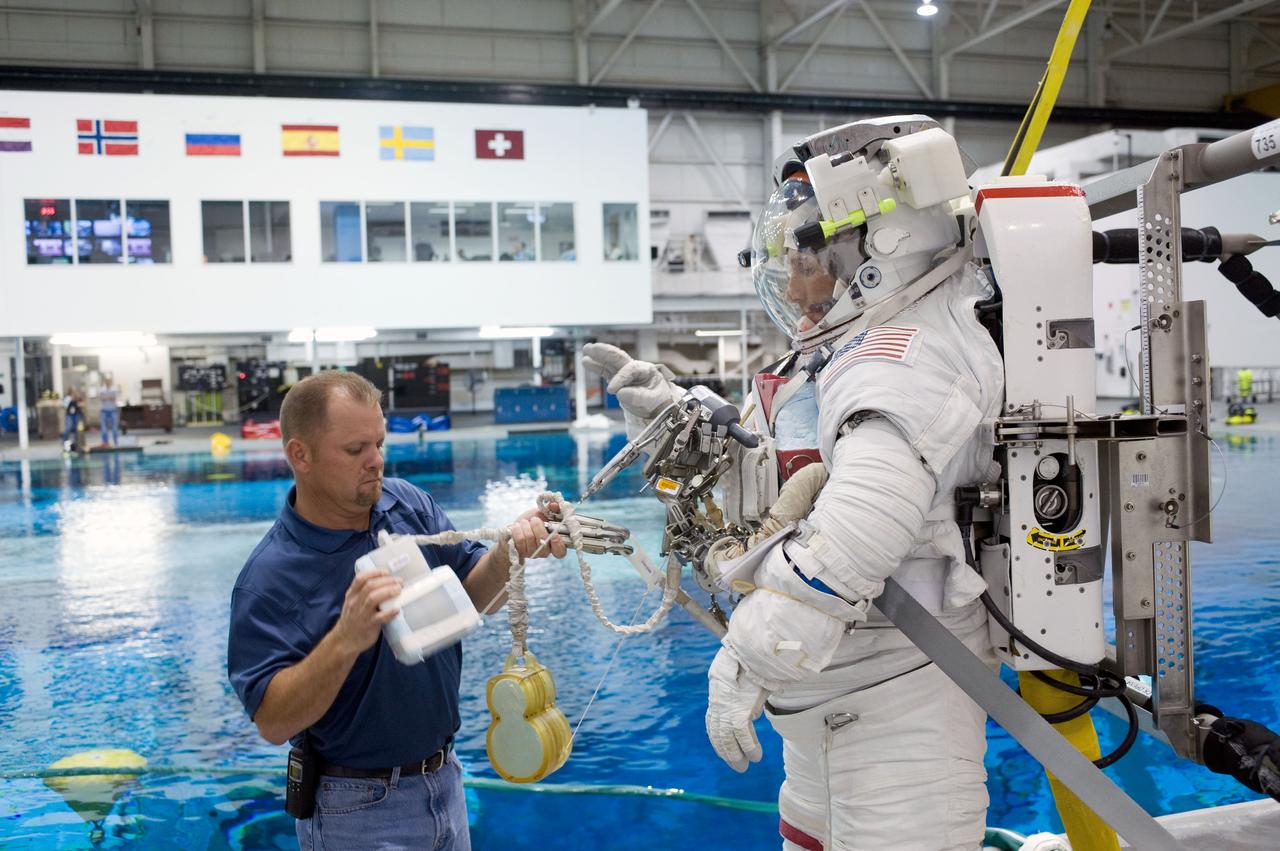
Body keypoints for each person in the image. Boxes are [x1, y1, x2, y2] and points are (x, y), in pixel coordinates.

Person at [585, 116, 1002, 850]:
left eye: (814, 258)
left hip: (901, 706)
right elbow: (766, 482)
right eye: (790, 259)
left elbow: (860, 521)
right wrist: (668, 415)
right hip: (822, 701)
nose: (798, 281)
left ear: (884, 248)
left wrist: (751, 655)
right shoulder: (831, 358)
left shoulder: (906, 355)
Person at [226, 371, 565, 851]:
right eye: (355, 450)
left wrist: (510, 552)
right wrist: (346, 638)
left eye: (379, 443)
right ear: (300, 455)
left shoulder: (408, 505)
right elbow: (273, 723)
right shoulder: (270, 579)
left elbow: (475, 598)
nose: (376, 461)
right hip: (355, 809)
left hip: (445, 780)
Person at [98, 376, 119, 447]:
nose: (108, 382)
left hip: (113, 410)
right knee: (104, 427)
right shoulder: (102, 389)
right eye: (106, 381)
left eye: (109, 381)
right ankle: (105, 442)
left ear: (111, 382)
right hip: (104, 410)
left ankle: (116, 442)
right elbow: (101, 398)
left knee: (114, 427)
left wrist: (107, 397)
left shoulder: (114, 389)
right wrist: (109, 397)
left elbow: (114, 398)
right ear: (105, 382)